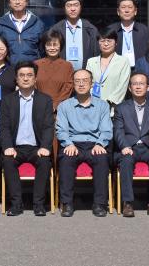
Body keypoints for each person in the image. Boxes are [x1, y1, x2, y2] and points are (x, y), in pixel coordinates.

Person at [0, 61, 54, 217]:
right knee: (8, 161)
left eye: (29, 75)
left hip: (37, 147)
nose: (25, 78)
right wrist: (7, 146)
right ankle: (16, 204)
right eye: (21, 75)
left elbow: (48, 127)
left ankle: (39, 204)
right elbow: (4, 127)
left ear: (35, 78)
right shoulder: (8, 100)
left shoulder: (45, 100)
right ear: (16, 79)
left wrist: (45, 146)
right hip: (15, 148)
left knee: (44, 161)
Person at [56, 69, 112, 217]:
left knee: (102, 159)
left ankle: (99, 203)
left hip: (95, 143)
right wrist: (68, 143)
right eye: (77, 81)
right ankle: (67, 203)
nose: (81, 84)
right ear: (73, 84)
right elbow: (61, 130)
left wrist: (100, 144)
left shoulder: (103, 105)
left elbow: (106, 129)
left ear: (91, 83)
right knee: (66, 160)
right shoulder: (64, 106)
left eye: (85, 81)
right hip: (73, 143)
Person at [114, 72, 149, 217]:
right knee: (126, 161)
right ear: (130, 88)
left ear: (148, 87)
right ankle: (128, 203)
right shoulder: (121, 108)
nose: (138, 87)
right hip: (129, 147)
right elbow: (118, 130)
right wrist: (124, 146)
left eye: (141, 84)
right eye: (135, 84)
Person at [49, 0, 100, 70]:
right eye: (69, 5)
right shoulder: (56, 30)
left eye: (76, 5)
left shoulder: (91, 30)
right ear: (64, 8)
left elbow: (96, 55)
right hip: (62, 73)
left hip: (85, 74)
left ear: (81, 6)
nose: (73, 9)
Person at [0, 0, 45, 64]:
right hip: (9, 68)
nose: (17, 2)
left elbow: (43, 51)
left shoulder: (37, 24)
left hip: (31, 68)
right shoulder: (1, 24)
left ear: (27, 2)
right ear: (9, 2)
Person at [85, 28, 131, 107]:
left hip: (114, 106)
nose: (106, 44)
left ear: (116, 43)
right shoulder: (91, 62)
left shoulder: (123, 61)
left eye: (109, 41)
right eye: (102, 41)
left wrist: (109, 102)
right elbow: (87, 83)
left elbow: (122, 85)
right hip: (93, 105)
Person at [106, 0, 149, 68]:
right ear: (118, 11)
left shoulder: (144, 30)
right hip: (116, 69)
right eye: (123, 7)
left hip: (139, 70)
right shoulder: (111, 30)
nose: (127, 10)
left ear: (135, 11)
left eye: (130, 7)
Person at [34, 30, 74, 109]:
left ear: (60, 46)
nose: (52, 48)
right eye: (49, 45)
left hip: (60, 108)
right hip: (39, 106)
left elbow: (68, 87)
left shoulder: (67, 66)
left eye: (55, 45)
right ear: (44, 46)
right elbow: (33, 85)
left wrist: (56, 104)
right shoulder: (36, 64)